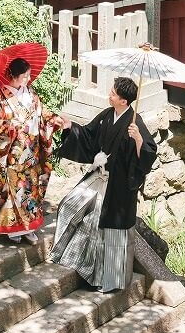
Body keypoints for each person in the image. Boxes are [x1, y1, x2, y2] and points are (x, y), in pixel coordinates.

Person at [50, 77, 157, 292]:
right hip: (98, 177)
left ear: (124, 101)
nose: (110, 95)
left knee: (111, 232)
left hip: (118, 190)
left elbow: (148, 154)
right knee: (69, 205)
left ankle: (110, 280)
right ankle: (66, 255)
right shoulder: (108, 115)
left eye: (113, 93)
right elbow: (89, 135)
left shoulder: (136, 123)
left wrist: (137, 139)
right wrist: (70, 125)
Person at [0, 57, 62, 242]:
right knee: (13, 189)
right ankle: (14, 229)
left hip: (32, 149)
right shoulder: (0, 98)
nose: (28, 80)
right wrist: (8, 125)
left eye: (29, 75)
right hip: (12, 152)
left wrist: (52, 118)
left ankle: (28, 227)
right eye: (24, 76)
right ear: (13, 76)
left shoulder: (30, 92)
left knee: (29, 188)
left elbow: (41, 112)